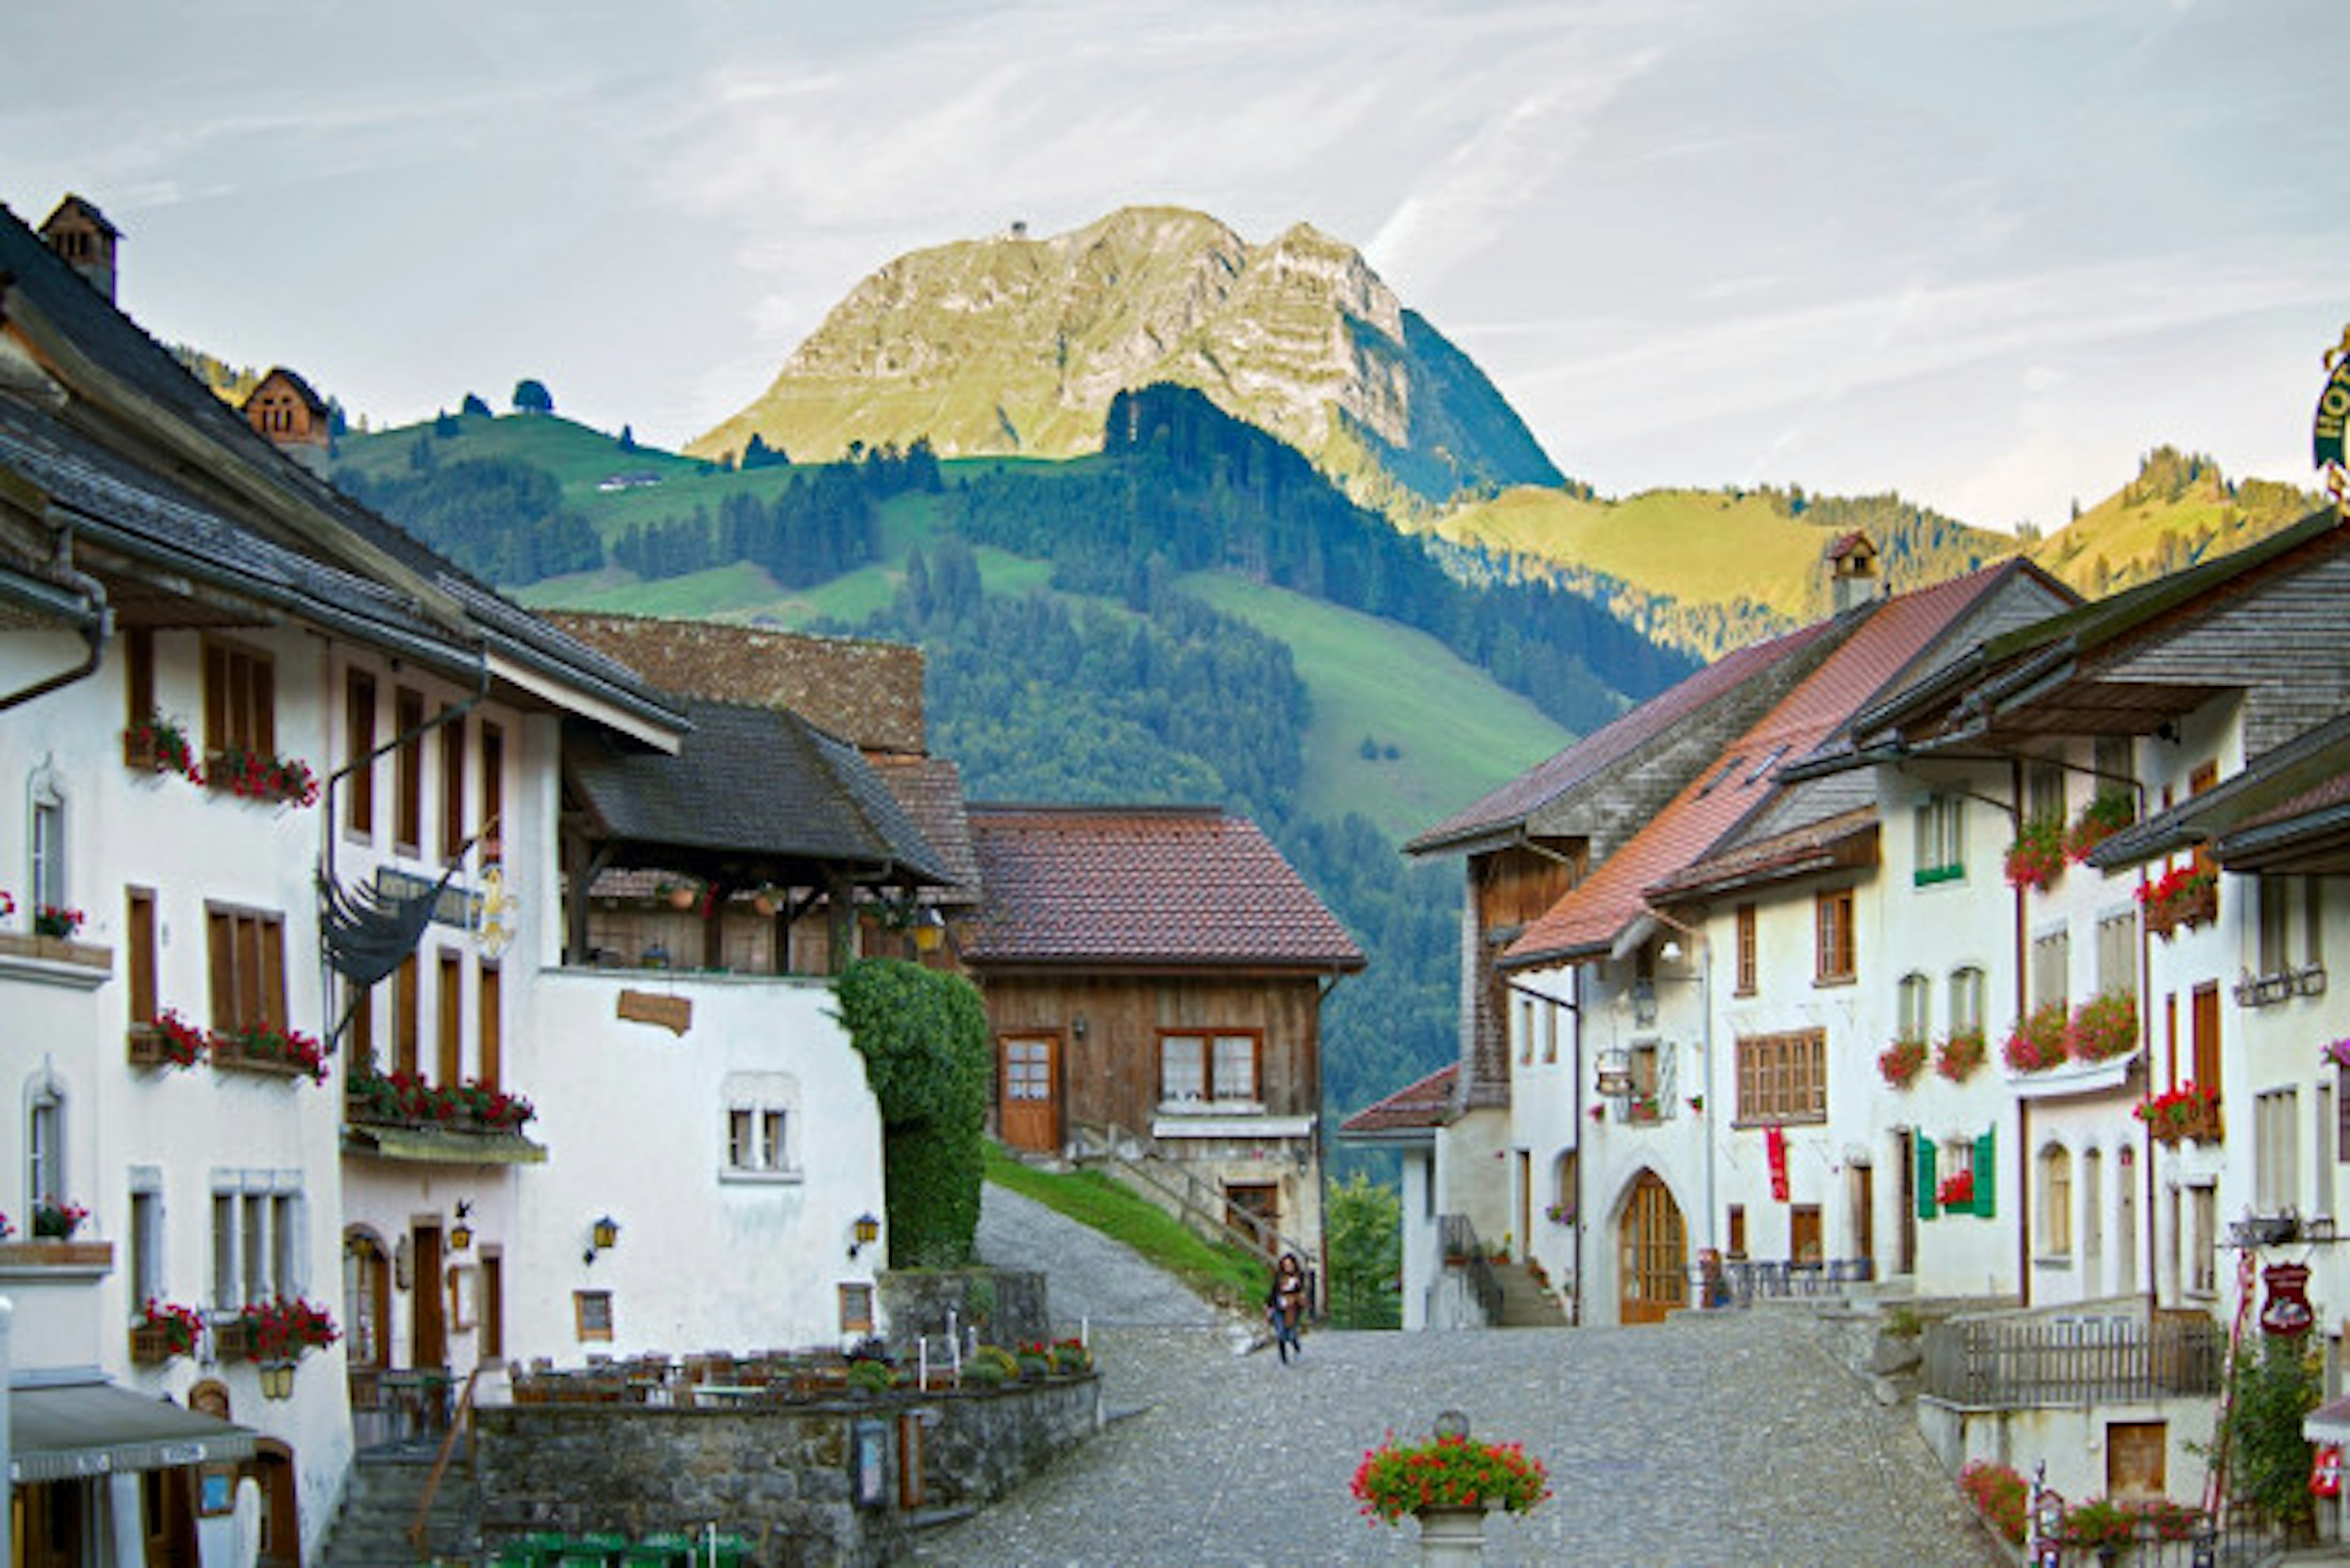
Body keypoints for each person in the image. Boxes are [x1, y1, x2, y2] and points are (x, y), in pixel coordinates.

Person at [1266, 1253, 1308, 1364]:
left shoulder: (1299, 1277)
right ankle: (1283, 1358)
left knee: (1291, 1333)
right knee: (1280, 1332)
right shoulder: (1279, 1277)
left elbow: (1301, 1292)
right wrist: (1269, 1306)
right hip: (1279, 1307)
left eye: (1290, 1265)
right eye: (1285, 1265)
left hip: (1293, 1308)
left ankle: (1296, 1347)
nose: (1288, 1267)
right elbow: (1273, 1292)